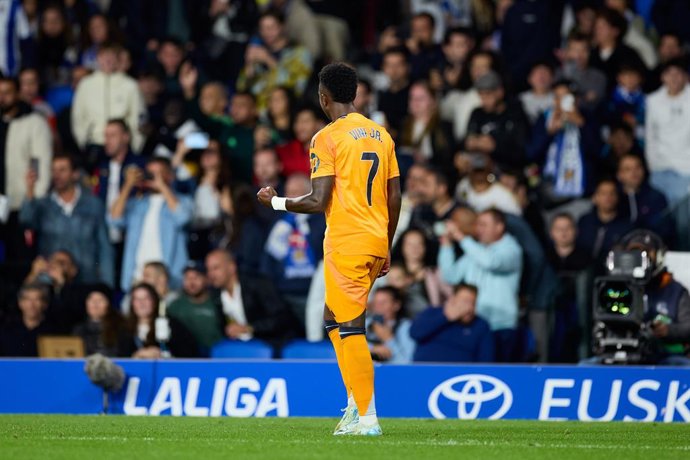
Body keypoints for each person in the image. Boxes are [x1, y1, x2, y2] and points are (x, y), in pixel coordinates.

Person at [257, 63, 401, 436]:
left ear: (324, 97)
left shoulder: (327, 137)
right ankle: (355, 403)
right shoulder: (381, 135)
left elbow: (319, 199)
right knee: (333, 318)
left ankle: (367, 418)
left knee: (351, 327)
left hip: (347, 241)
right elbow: (394, 194)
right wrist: (386, 243)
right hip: (374, 240)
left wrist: (276, 203)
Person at [438, 209, 522, 362]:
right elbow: (451, 276)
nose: (478, 229)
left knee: (499, 377)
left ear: (499, 227)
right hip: (475, 324)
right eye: (477, 224)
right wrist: (446, 246)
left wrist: (461, 237)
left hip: (501, 326)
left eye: (484, 224)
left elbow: (490, 262)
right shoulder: (475, 249)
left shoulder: (512, 250)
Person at [19, 153, 114, 286]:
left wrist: (107, 284)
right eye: (54, 170)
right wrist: (30, 189)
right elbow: (26, 221)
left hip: (86, 279)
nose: (57, 175)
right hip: (51, 280)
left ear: (75, 174)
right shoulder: (43, 204)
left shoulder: (93, 204)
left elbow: (104, 246)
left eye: (62, 170)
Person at [108, 157, 193, 292]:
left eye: (158, 173)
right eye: (149, 172)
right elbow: (114, 219)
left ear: (170, 176)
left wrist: (163, 187)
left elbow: (182, 218)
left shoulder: (183, 200)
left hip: (168, 277)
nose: (152, 177)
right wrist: (128, 185)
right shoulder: (137, 203)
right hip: (137, 276)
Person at [261, 173, 326, 333]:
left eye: (297, 193)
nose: (291, 197)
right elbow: (268, 259)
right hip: (284, 295)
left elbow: (323, 252)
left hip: (317, 293)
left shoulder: (322, 220)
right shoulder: (280, 223)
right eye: (289, 193)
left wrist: (304, 225)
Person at [0, 75, 52, 260]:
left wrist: (34, 199)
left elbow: (40, 162)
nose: (2, 98)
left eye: (7, 93)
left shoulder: (34, 123)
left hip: (21, 204)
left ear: (18, 94)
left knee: (20, 258)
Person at [205, 249, 293, 346]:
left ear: (231, 267)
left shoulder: (258, 285)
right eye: (208, 269)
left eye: (216, 268)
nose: (211, 274)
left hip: (271, 346)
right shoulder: (215, 294)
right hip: (239, 347)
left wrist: (250, 328)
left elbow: (281, 318)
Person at [645, 58, 690, 249]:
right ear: (663, 77)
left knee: (684, 224)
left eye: (678, 73)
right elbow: (650, 136)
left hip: (687, 170)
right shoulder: (652, 100)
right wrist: (654, 165)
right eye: (669, 74)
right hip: (660, 169)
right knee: (659, 222)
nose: (674, 78)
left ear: (685, 77)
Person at [71, 43, 145, 157]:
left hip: (122, 146)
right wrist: (83, 142)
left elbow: (138, 116)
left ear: (118, 59)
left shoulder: (130, 85)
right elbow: (78, 117)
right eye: (104, 56)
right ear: (98, 58)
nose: (108, 60)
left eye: (112, 56)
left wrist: (136, 145)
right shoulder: (86, 84)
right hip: (94, 143)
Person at [236, 9, 312, 112]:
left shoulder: (301, 53)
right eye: (263, 28)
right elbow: (241, 89)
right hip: (258, 114)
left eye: (271, 27)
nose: (266, 32)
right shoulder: (259, 53)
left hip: (287, 113)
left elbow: (296, 89)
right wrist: (249, 65)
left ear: (282, 27)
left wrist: (269, 61)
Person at [410, 283, 494, 363]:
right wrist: (445, 317)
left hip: (461, 375)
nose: (469, 308)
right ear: (452, 299)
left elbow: (486, 361)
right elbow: (415, 333)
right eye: (465, 302)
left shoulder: (480, 325)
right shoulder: (432, 313)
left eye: (473, 303)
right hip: (425, 371)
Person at [123, 282, 198, 358]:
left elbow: (187, 353)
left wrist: (163, 354)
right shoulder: (124, 329)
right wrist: (138, 354)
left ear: (154, 301)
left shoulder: (172, 325)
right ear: (132, 304)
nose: (141, 303)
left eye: (146, 298)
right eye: (137, 299)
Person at [167, 261, 224, 354]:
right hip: (186, 358)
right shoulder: (175, 306)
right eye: (187, 278)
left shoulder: (218, 303)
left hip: (215, 356)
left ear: (206, 279)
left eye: (196, 277)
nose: (191, 282)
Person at [616, 153, 674, 244]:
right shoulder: (613, 198)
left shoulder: (656, 197)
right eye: (628, 169)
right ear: (619, 175)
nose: (634, 172)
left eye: (637, 167)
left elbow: (665, 230)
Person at [576, 179, 634, 267]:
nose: (608, 197)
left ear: (617, 197)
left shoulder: (627, 226)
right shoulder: (584, 222)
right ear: (595, 197)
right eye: (603, 193)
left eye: (612, 193)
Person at [72, 285, 130, 357]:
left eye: (100, 300)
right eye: (91, 299)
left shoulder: (119, 328)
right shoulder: (79, 329)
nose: (95, 304)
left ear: (108, 304)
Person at [0, 283, 55, 357]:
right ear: (20, 303)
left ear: (45, 304)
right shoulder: (6, 331)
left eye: (37, 299)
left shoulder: (53, 332)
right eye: (27, 299)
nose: (32, 305)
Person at [366, 287, 415, 364]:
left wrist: (389, 340)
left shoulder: (405, 327)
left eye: (383, 303)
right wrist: (371, 349)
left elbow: (407, 363)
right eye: (375, 303)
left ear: (396, 305)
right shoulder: (364, 324)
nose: (378, 307)